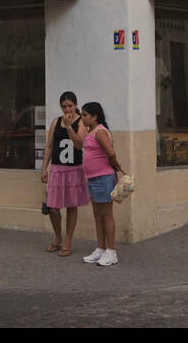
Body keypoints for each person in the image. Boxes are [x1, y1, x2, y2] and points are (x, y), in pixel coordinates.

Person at [72, 101, 126, 267]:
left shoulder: (100, 131)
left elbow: (110, 152)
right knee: (97, 214)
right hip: (93, 178)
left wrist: (114, 163)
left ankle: (111, 251)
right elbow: (81, 146)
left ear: (95, 116)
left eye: (86, 115)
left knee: (106, 214)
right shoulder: (91, 132)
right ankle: (101, 248)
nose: (83, 118)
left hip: (103, 178)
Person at [41, 91, 88, 256]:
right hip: (57, 168)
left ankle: (68, 240)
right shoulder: (56, 122)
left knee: (71, 205)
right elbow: (49, 146)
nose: (67, 109)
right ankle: (58, 236)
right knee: (52, 206)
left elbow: (79, 145)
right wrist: (44, 168)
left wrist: (69, 127)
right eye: (63, 106)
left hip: (74, 169)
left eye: (70, 106)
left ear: (75, 105)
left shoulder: (81, 122)